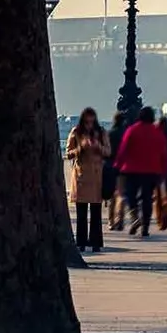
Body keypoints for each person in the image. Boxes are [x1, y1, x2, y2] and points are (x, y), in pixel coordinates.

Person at [114, 106, 167, 237]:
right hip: (152, 170)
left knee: (130, 196)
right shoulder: (158, 133)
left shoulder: (132, 130)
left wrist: (118, 164)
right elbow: (164, 154)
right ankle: (145, 226)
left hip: (132, 169)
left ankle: (135, 217)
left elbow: (123, 149)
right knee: (147, 199)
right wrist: (164, 171)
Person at [65, 108, 110, 252]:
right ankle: (81, 242)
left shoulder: (101, 132)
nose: (89, 125)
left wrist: (98, 147)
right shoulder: (76, 132)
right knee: (81, 213)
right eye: (87, 122)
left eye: (92, 122)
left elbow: (108, 151)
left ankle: (96, 242)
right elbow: (68, 153)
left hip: (96, 176)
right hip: (81, 176)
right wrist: (80, 149)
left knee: (96, 213)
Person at [104, 110, 128, 231]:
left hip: (110, 166)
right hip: (123, 167)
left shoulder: (109, 133)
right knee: (121, 194)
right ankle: (121, 219)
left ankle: (111, 221)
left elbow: (104, 151)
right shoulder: (126, 134)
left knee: (111, 196)